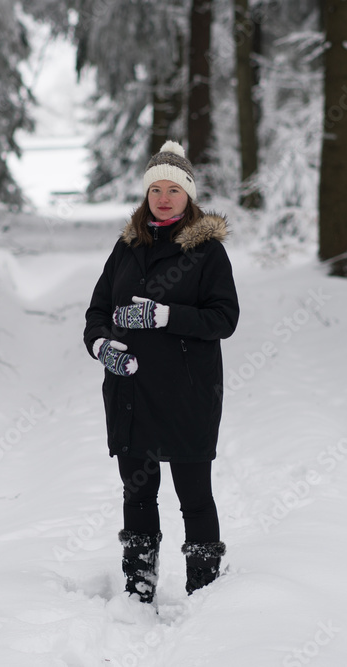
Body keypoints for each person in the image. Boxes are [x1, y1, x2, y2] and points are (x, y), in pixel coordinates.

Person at [83, 140, 240, 604]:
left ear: (188, 195)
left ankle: (204, 593)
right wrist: (101, 346)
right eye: (156, 190)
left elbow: (224, 319)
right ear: (146, 195)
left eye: (174, 189)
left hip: (188, 396)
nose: (164, 198)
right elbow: (97, 310)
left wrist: (165, 316)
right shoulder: (127, 247)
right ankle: (137, 590)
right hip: (130, 393)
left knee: (194, 498)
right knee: (137, 497)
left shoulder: (207, 253)